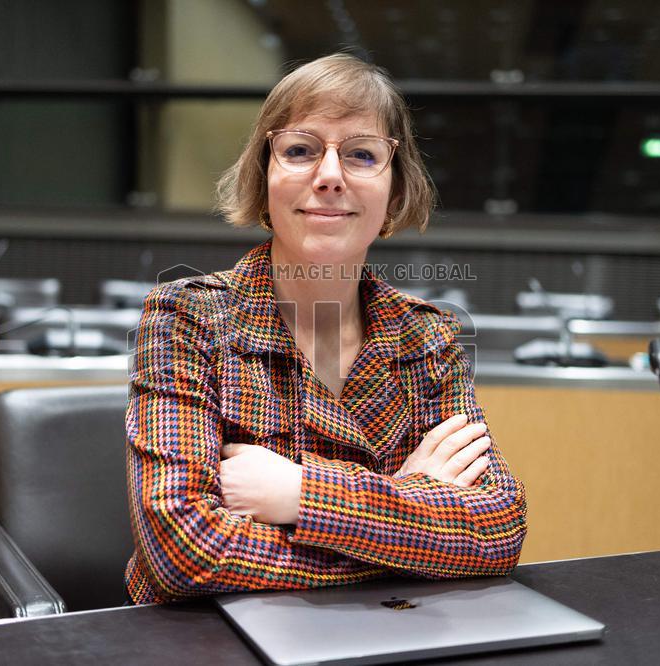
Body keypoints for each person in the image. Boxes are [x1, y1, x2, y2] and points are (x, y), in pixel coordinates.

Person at [124, 53, 526, 605]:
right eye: (300, 150)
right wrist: (408, 513)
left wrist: (297, 495)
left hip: (385, 633)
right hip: (208, 636)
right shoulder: (184, 318)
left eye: (362, 154)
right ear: (263, 178)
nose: (330, 176)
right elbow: (182, 553)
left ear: (395, 190)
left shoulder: (428, 338)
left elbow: (498, 532)